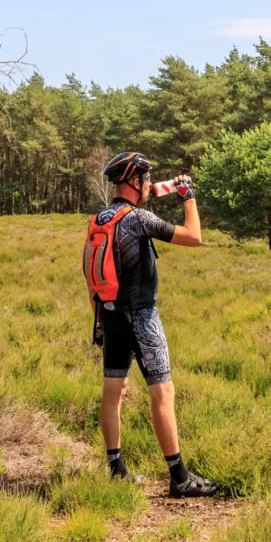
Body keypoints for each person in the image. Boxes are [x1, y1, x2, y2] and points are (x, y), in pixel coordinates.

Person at [84, 151, 219, 497]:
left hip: (110, 315)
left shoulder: (102, 218)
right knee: (163, 393)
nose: (148, 185)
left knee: (113, 393)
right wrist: (188, 197)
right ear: (133, 182)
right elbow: (193, 236)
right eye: (144, 180)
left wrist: (168, 186)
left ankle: (116, 469)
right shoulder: (139, 220)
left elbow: (90, 275)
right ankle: (180, 478)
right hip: (142, 317)